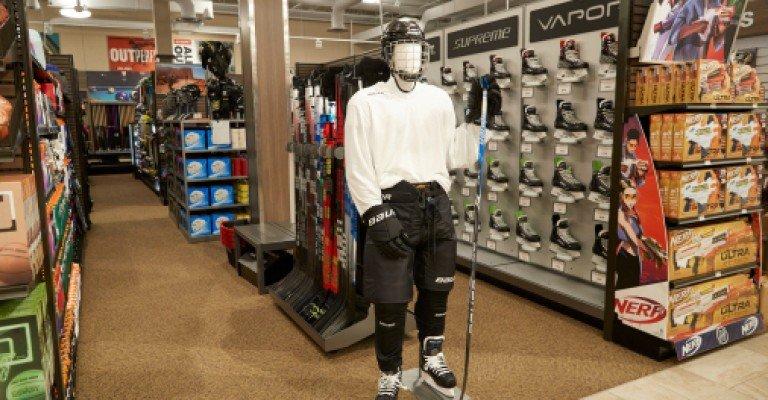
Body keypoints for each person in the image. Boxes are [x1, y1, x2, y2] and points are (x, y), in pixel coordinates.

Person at [344, 18, 494, 400]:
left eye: (417, 48)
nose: (411, 56)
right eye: (402, 48)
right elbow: (357, 165)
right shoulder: (365, 102)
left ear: (425, 54)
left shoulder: (438, 99)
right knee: (391, 298)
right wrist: (374, 213)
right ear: (388, 54)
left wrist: (479, 121)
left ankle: (432, 357)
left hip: (435, 204)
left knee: (436, 289)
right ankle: (389, 371)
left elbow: (456, 156)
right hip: (392, 204)